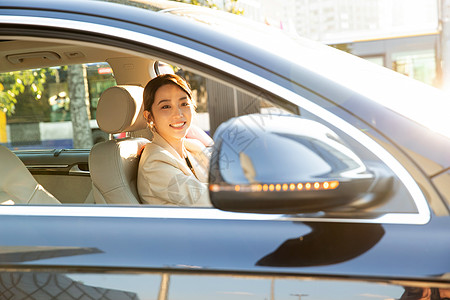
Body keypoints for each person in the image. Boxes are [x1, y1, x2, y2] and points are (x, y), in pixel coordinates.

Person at [137, 74, 212, 206]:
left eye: (184, 104)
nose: (178, 113)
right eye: (166, 106)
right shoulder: (154, 163)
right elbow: (205, 200)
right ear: (149, 117)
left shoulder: (193, 148)